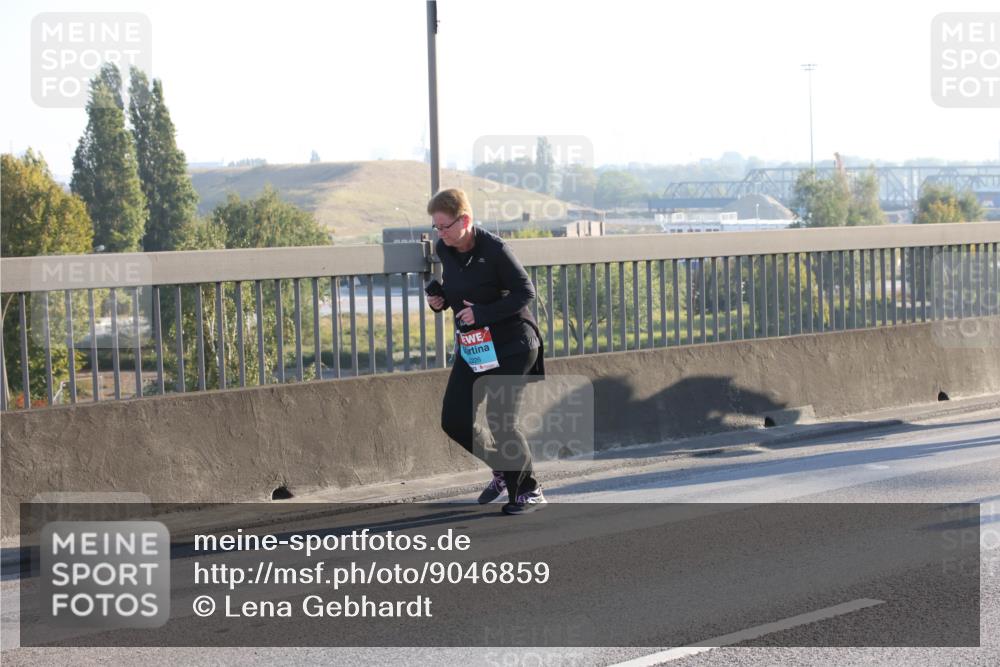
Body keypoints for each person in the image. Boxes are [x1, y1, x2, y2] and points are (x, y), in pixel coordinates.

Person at [425, 188, 547, 515]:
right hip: (476, 346)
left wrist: (482, 313)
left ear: (465, 220)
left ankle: (528, 490)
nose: (441, 234)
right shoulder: (444, 248)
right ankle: (504, 470)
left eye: (446, 226)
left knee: (500, 420)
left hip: (513, 345)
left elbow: (525, 292)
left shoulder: (495, 250)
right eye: (436, 227)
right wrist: (440, 299)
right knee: (455, 419)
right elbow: (461, 291)